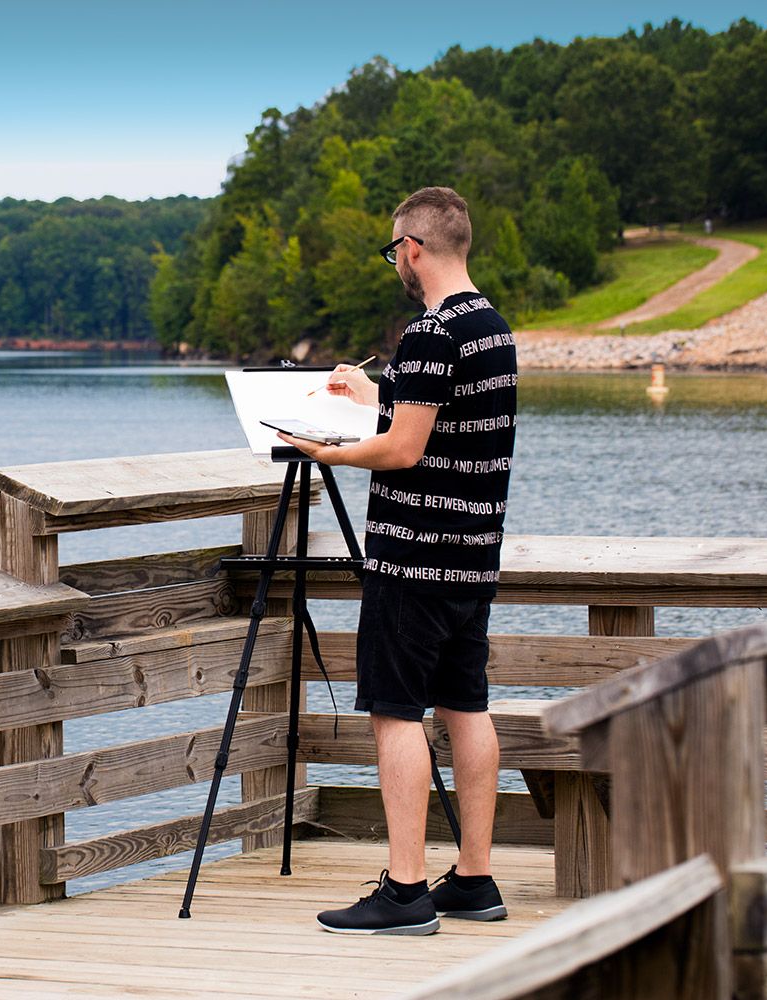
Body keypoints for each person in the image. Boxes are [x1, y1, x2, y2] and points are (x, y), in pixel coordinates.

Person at [279, 186, 517, 936]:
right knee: (467, 708)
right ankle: (474, 880)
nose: (397, 263)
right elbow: (439, 423)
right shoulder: (491, 329)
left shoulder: (427, 331)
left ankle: (406, 889)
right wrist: (373, 395)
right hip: (473, 555)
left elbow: (405, 449)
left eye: (394, 250)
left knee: (394, 712)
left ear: (413, 248)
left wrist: (329, 448)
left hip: (412, 558)